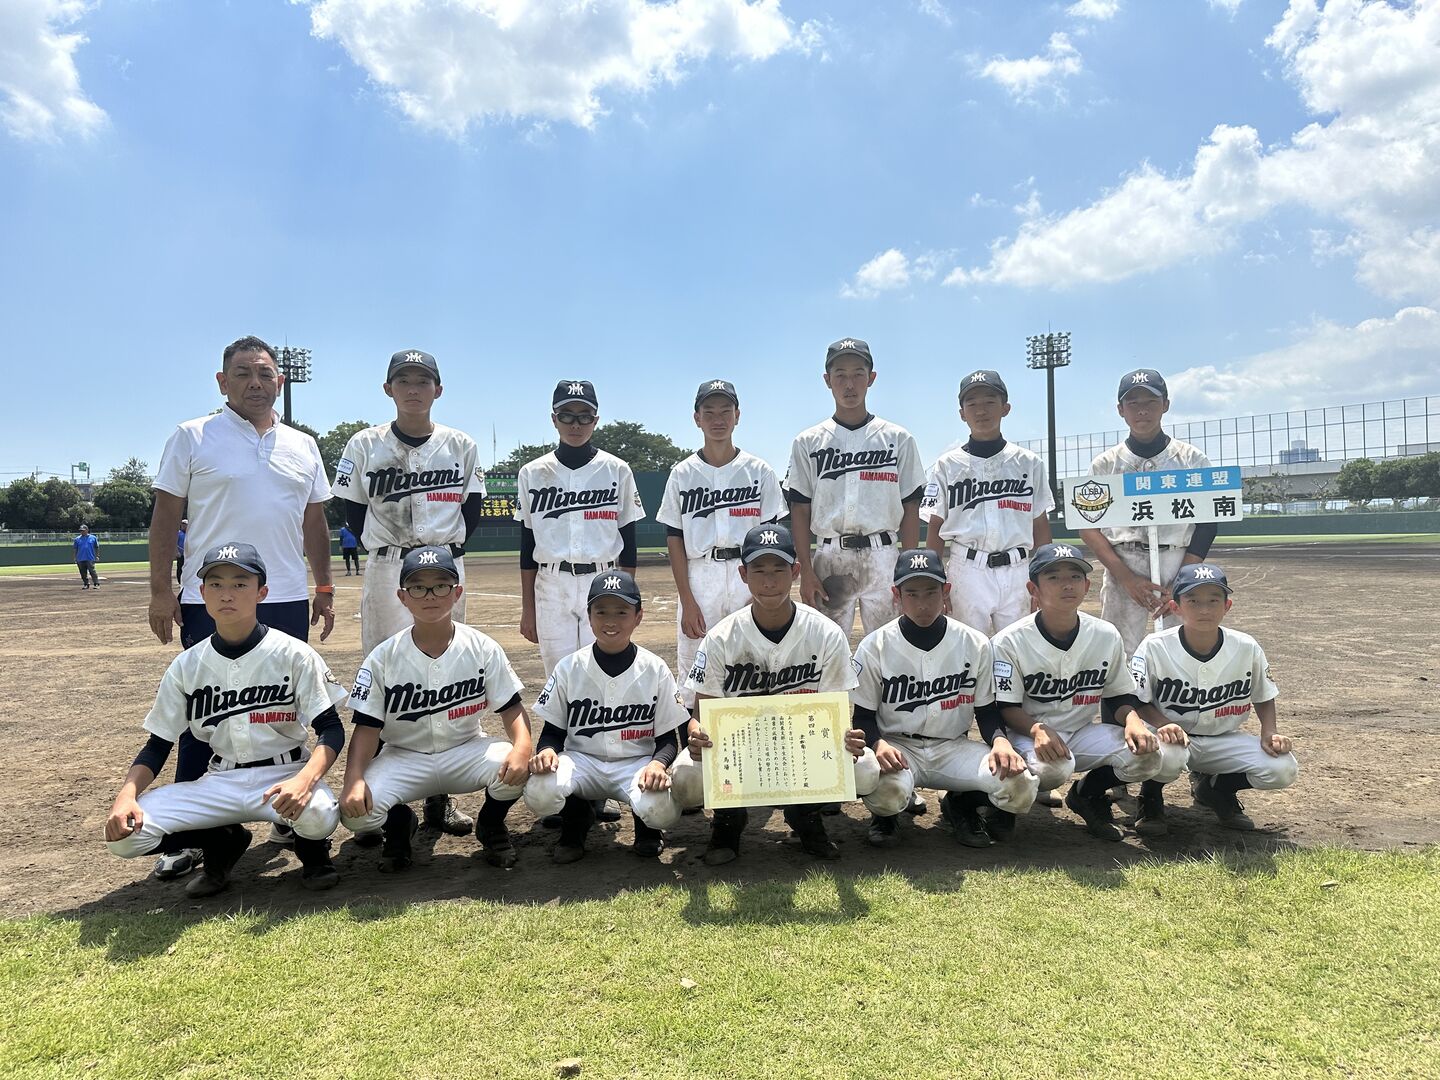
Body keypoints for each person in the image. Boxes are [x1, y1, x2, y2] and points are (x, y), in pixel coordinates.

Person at [145, 335, 335, 880]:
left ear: (280, 380)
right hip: (210, 596)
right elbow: (165, 517)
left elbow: (315, 522)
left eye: (265, 373)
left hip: (285, 595)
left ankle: (290, 812)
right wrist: (160, 590)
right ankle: (192, 835)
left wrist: (324, 586)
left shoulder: (303, 444)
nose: (256, 382)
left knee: (290, 706)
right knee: (202, 712)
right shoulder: (192, 436)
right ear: (222, 381)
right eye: (243, 373)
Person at [103, 543, 346, 897]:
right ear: (202, 593)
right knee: (126, 837)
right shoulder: (187, 665)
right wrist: (126, 796)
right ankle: (223, 842)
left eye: (240, 584)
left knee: (320, 814)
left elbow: (331, 729)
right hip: (221, 780)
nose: (226, 594)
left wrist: (305, 781)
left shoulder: (293, 653)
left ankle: (313, 854)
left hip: (286, 772)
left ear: (262, 592)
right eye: (216, 584)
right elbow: (157, 745)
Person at [331, 348, 489, 837]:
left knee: (448, 667)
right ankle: (387, 796)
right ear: (388, 389)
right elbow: (350, 508)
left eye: (423, 380)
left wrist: (445, 552)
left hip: (444, 566)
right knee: (384, 671)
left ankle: (440, 798)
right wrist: (389, 548)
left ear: (438, 389)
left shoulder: (461, 444)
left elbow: (472, 507)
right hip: (388, 567)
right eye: (404, 380)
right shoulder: (364, 444)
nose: (413, 388)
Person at [673, 524, 875, 864]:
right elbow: (701, 715)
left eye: (779, 569)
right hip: (740, 751)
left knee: (866, 768)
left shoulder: (826, 633)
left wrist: (847, 737)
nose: (769, 581)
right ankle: (728, 821)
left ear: (795, 572)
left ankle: (805, 815)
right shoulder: (721, 638)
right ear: (743, 575)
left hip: (799, 747)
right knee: (685, 778)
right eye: (759, 570)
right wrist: (696, 734)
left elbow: (835, 713)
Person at [339, 546, 531, 872]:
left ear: (457, 592)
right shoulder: (383, 657)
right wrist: (353, 779)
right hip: (404, 757)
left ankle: (491, 823)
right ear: (402, 597)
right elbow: (367, 729)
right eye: (418, 587)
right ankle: (400, 825)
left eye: (440, 586)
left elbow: (511, 709)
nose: (430, 595)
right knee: (356, 815)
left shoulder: (482, 647)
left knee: (519, 767)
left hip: (465, 750)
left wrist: (523, 748)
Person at [990, 543, 1187, 843]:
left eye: (1075, 576)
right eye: (1053, 577)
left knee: (1150, 754)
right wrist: (1036, 729)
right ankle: (1002, 807)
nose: (1067, 584)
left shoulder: (1105, 634)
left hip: (1081, 732)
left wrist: (1133, 721)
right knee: (1053, 770)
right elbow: (1005, 706)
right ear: (1034, 589)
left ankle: (1087, 794)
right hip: (1026, 735)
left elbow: (1119, 695)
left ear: (1086, 585)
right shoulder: (1009, 641)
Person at [854, 549, 1038, 849]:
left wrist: (1000, 741)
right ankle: (886, 817)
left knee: (1021, 785)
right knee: (882, 789)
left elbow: (986, 711)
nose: (922, 603)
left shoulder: (974, 642)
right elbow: (862, 717)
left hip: (953, 747)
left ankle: (962, 804)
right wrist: (878, 744)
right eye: (912, 594)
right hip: (899, 747)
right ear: (896, 595)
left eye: (931, 592)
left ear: (946, 591)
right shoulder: (875, 646)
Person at [525, 570, 689, 862]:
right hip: (582, 763)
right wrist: (547, 751)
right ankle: (576, 819)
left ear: (638, 616)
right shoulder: (569, 667)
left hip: (635, 764)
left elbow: (667, 739)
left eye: (621, 612)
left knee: (662, 811)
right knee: (540, 790)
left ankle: (647, 827)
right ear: (589, 617)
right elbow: (552, 732)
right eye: (601, 611)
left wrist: (657, 764)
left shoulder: (654, 668)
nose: (610, 621)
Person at [1129, 563, 1297, 834]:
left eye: (1213, 600)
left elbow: (1264, 694)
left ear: (1227, 606)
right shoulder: (1155, 646)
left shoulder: (1246, 646)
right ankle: (1150, 796)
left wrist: (1269, 731)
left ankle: (1217, 789)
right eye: (1193, 601)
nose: (1204, 609)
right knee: (1167, 757)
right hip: (1170, 738)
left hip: (1223, 739)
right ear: (1175, 607)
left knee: (1283, 768)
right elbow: (1137, 699)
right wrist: (1162, 724)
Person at [786, 338, 925, 640]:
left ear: (871, 378)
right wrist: (806, 569)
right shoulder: (808, 442)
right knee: (824, 650)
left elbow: (910, 507)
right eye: (840, 375)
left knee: (892, 646)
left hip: (884, 556)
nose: (849, 384)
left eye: (858, 374)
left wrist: (909, 568)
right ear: (827, 380)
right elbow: (800, 508)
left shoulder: (898, 438)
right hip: (830, 558)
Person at [658, 379, 785, 708]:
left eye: (725, 411)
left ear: (737, 416)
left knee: (755, 660)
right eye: (709, 412)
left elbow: (774, 536)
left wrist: (763, 590)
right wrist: (687, 600)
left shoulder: (759, 471)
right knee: (696, 665)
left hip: (749, 571)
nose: (718, 419)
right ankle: (694, 734)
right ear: (697, 418)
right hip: (701, 575)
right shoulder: (682, 473)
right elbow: (674, 538)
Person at [1077, 369, 1215, 657]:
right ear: (1120, 410)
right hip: (1124, 561)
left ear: (1165, 404)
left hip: (1177, 560)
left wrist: (1181, 581)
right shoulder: (1105, 464)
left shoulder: (1192, 459)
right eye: (1133, 403)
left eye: (1151, 401)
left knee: (1180, 651)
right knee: (1119, 652)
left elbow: (1207, 523)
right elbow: (1087, 527)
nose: (1142, 410)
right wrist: (1126, 578)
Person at [516, 380, 645, 675]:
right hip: (551, 584)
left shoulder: (617, 470)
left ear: (595, 420)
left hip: (602, 580)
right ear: (554, 419)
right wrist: (528, 608)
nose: (576, 424)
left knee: (602, 669)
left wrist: (627, 600)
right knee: (557, 674)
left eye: (584, 416)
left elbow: (629, 542)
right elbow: (527, 545)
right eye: (567, 415)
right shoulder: (532, 473)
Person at [922, 370, 1053, 635]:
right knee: (967, 647)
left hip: (1018, 570)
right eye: (972, 403)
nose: (981, 410)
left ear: (1006, 408)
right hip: (967, 570)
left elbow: (1039, 524)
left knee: (1020, 645)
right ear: (962, 413)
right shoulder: (947, 465)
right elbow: (935, 526)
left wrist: (1044, 577)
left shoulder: (1029, 463)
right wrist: (935, 580)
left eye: (990, 402)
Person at [73, 524, 99, 589]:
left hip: (90, 557)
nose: (82, 532)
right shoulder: (77, 539)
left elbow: (96, 547)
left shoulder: (93, 538)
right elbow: (75, 549)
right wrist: (75, 557)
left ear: (87, 530)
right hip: (80, 558)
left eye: (83, 530)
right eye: (81, 531)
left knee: (92, 571)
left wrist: (97, 556)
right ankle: (86, 584)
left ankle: (96, 583)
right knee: (83, 572)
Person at [176, 519, 187, 586]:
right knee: (180, 568)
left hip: (188, 555)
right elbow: (175, 544)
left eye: (185, 524)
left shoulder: (189, 533)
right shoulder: (179, 533)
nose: (184, 526)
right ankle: (180, 582)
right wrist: (177, 552)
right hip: (181, 554)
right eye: (183, 524)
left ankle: (186, 581)